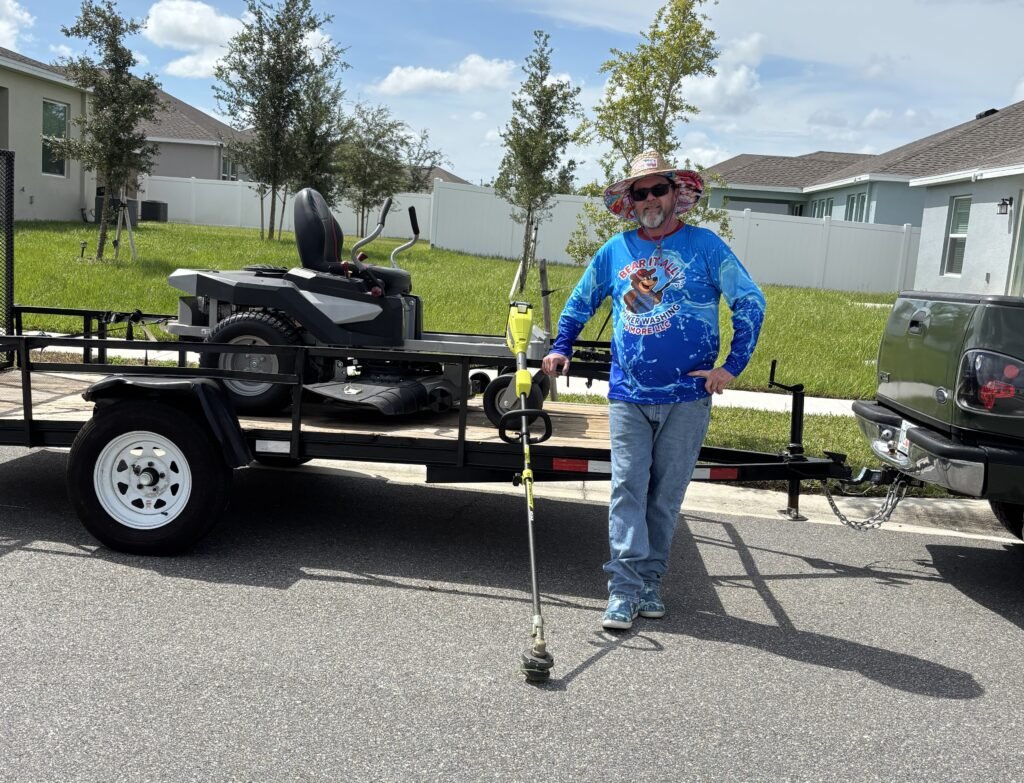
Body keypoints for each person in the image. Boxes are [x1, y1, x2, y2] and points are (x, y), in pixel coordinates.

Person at [542, 150, 766, 630]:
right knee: (627, 488)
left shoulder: (705, 246)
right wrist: (562, 346)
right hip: (629, 394)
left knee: (665, 495)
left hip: (687, 397)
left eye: (657, 189)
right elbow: (581, 301)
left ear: (675, 194)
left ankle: (649, 582)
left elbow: (750, 301)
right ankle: (622, 590)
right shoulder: (616, 250)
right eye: (639, 192)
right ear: (631, 200)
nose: (649, 199)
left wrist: (731, 367)